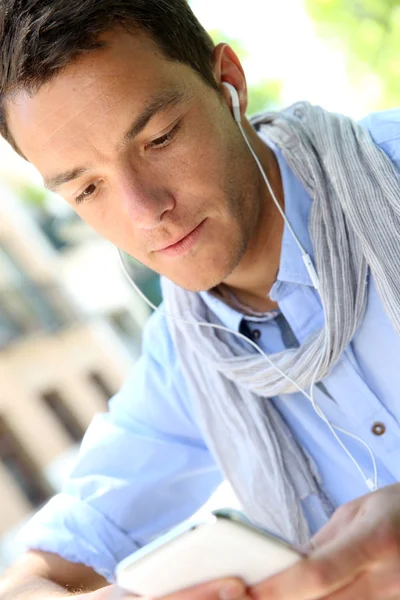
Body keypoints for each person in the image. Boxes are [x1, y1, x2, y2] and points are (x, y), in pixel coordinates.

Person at [1, 0, 400, 599]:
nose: (145, 212)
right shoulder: (185, 354)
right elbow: (43, 566)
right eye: (88, 188)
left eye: (158, 138)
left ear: (228, 83)